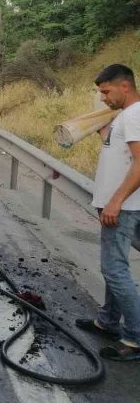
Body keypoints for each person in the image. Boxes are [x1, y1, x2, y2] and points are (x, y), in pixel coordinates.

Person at [75, 63, 140, 362]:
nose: (103, 97)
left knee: (114, 270)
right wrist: (105, 135)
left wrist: (115, 202)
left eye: (106, 91)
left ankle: (136, 337)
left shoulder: (135, 114)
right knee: (117, 267)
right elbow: (122, 156)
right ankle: (108, 322)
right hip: (118, 204)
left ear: (124, 86)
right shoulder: (124, 117)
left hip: (122, 207)